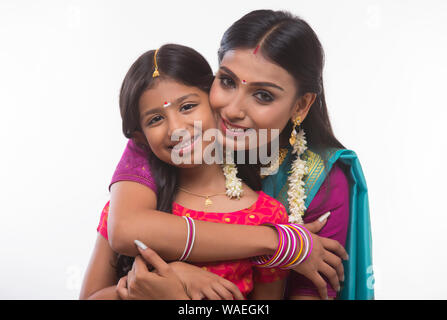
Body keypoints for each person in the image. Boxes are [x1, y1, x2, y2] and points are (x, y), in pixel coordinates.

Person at [100, 9, 373, 300]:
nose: (232, 110)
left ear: (301, 105)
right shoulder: (174, 138)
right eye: (228, 82)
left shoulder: (323, 181)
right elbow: (126, 229)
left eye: (263, 95)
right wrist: (277, 241)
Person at [81, 44, 317, 300]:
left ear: (216, 102)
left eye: (187, 107)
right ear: (141, 137)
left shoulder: (266, 215)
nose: (175, 128)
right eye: (155, 119)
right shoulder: (130, 209)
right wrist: (173, 275)